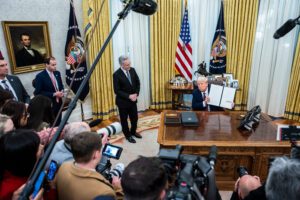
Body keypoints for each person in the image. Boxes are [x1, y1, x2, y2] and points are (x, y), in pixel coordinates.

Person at [54, 132, 123, 200]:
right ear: (96, 154)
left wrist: (99, 145)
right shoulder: (104, 192)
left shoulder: (64, 167)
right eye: (100, 150)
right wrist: (117, 189)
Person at [0, 129, 43, 200]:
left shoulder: (13, 169)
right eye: (37, 148)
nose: (42, 146)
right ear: (27, 159)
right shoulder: (9, 190)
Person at [113, 55, 141, 143]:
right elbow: (117, 90)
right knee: (124, 120)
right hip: (123, 102)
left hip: (133, 101)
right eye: (127, 65)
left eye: (129, 64)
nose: (129, 66)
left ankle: (133, 132)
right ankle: (128, 135)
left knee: (135, 118)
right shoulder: (116, 74)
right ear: (122, 65)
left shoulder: (132, 70)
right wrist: (129, 96)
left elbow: (137, 82)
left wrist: (136, 94)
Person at [34, 56, 64, 126]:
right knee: (52, 125)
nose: (55, 66)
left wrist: (61, 91)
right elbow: (38, 92)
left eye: (55, 64)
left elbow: (60, 85)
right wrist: (54, 94)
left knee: (58, 123)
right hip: (49, 105)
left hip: (59, 102)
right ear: (46, 65)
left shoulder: (57, 73)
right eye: (53, 65)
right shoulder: (40, 76)